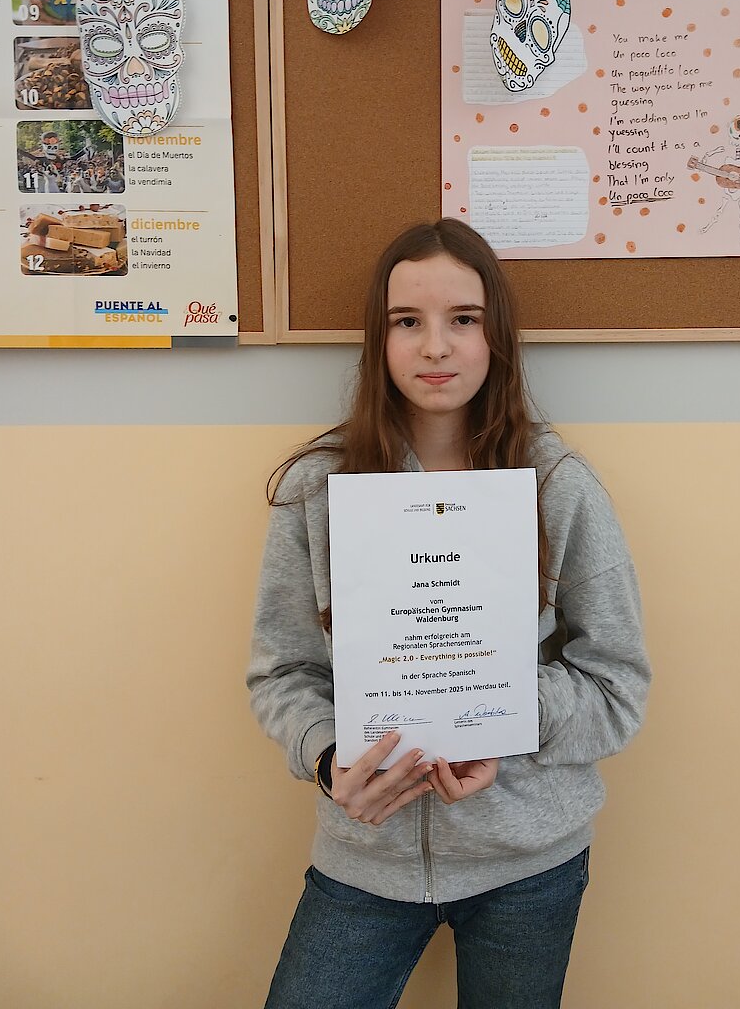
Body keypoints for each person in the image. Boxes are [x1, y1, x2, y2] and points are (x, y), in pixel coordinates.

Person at [247, 220, 651, 1009]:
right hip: (366, 856)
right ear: (380, 338)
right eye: (408, 321)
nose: (436, 346)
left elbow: (619, 685)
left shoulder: (558, 483)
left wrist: (504, 718)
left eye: (463, 318)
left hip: (530, 861)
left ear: (497, 334)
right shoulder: (318, 487)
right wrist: (330, 760)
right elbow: (281, 671)